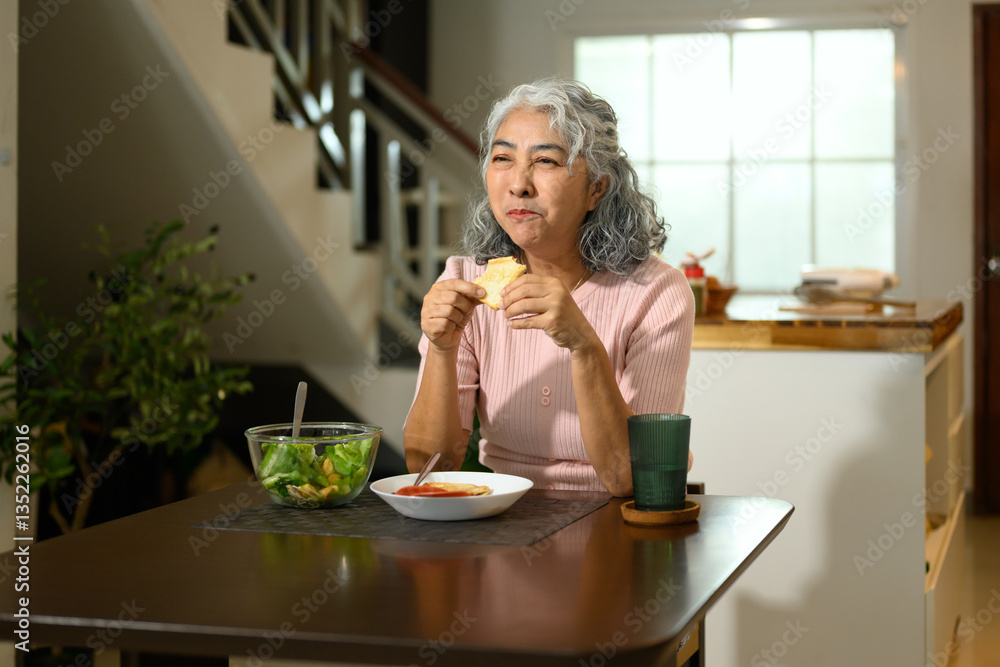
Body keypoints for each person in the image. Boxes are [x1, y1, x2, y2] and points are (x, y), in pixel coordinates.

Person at [403, 78, 694, 496]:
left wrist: (584, 345)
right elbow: (430, 467)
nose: (519, 183)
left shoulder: (656, 293)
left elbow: (632, 480)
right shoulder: (466, 282)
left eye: (546, 162)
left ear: (597, 188)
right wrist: (443, 349)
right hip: (502, 518)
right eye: (502, 158)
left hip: (616, 522)